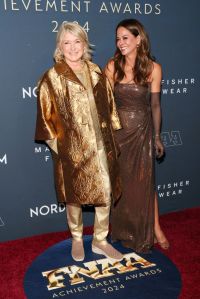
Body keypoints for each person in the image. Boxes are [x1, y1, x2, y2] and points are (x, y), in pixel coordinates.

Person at [35, 22, 123, 262]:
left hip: (102, 145)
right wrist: (60, 148)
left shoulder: (96, 71)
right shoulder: (52, 77)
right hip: (71, 148)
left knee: (105, 191)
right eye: (67, 42)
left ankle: (100, 240)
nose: (72, 47)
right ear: (60, 47)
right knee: (74, 195)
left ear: (84, 44)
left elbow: (110, 107)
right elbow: (45, 117)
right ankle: (76, 238)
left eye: (77, 41)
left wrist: (113, 137)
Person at [105, 18, 169, 253]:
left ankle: (156, 228)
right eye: (118, 38)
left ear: (138, 39)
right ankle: (121, 228)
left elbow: (155, 105)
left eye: (125, 38)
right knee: (121, 184)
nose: (120, 43)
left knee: (146, 182)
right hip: (118, 132)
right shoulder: (112, 66)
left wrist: (158, 136)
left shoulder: (154, 68)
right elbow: (105, 104)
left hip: (142, 132)